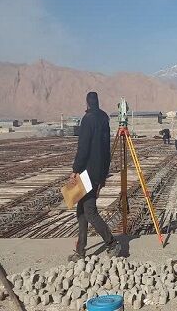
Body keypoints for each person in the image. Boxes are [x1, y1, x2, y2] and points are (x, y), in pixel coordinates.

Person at [69, 92, 121, 261]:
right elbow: (106, 150)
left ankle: (111, 243)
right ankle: (80, 251)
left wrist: (75, 169)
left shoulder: (88, 119)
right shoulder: (104, 119)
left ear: (87, 103)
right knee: (81, 211)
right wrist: (103, 175)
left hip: (87, 173)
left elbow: (83, 148)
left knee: (90, 212)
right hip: (98, 172)